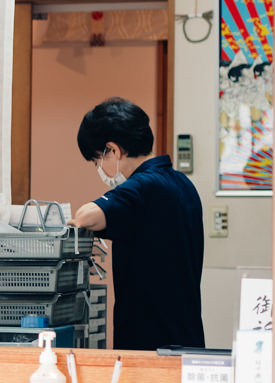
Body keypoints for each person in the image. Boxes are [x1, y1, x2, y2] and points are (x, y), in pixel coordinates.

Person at [69, 97, 205, 351]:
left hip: (149, 343)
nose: (99, 169)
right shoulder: (182, 183)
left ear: (113, 150)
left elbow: (87, 216)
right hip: (187, 337)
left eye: (97, 160)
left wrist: (75, 221)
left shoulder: (143, 186)